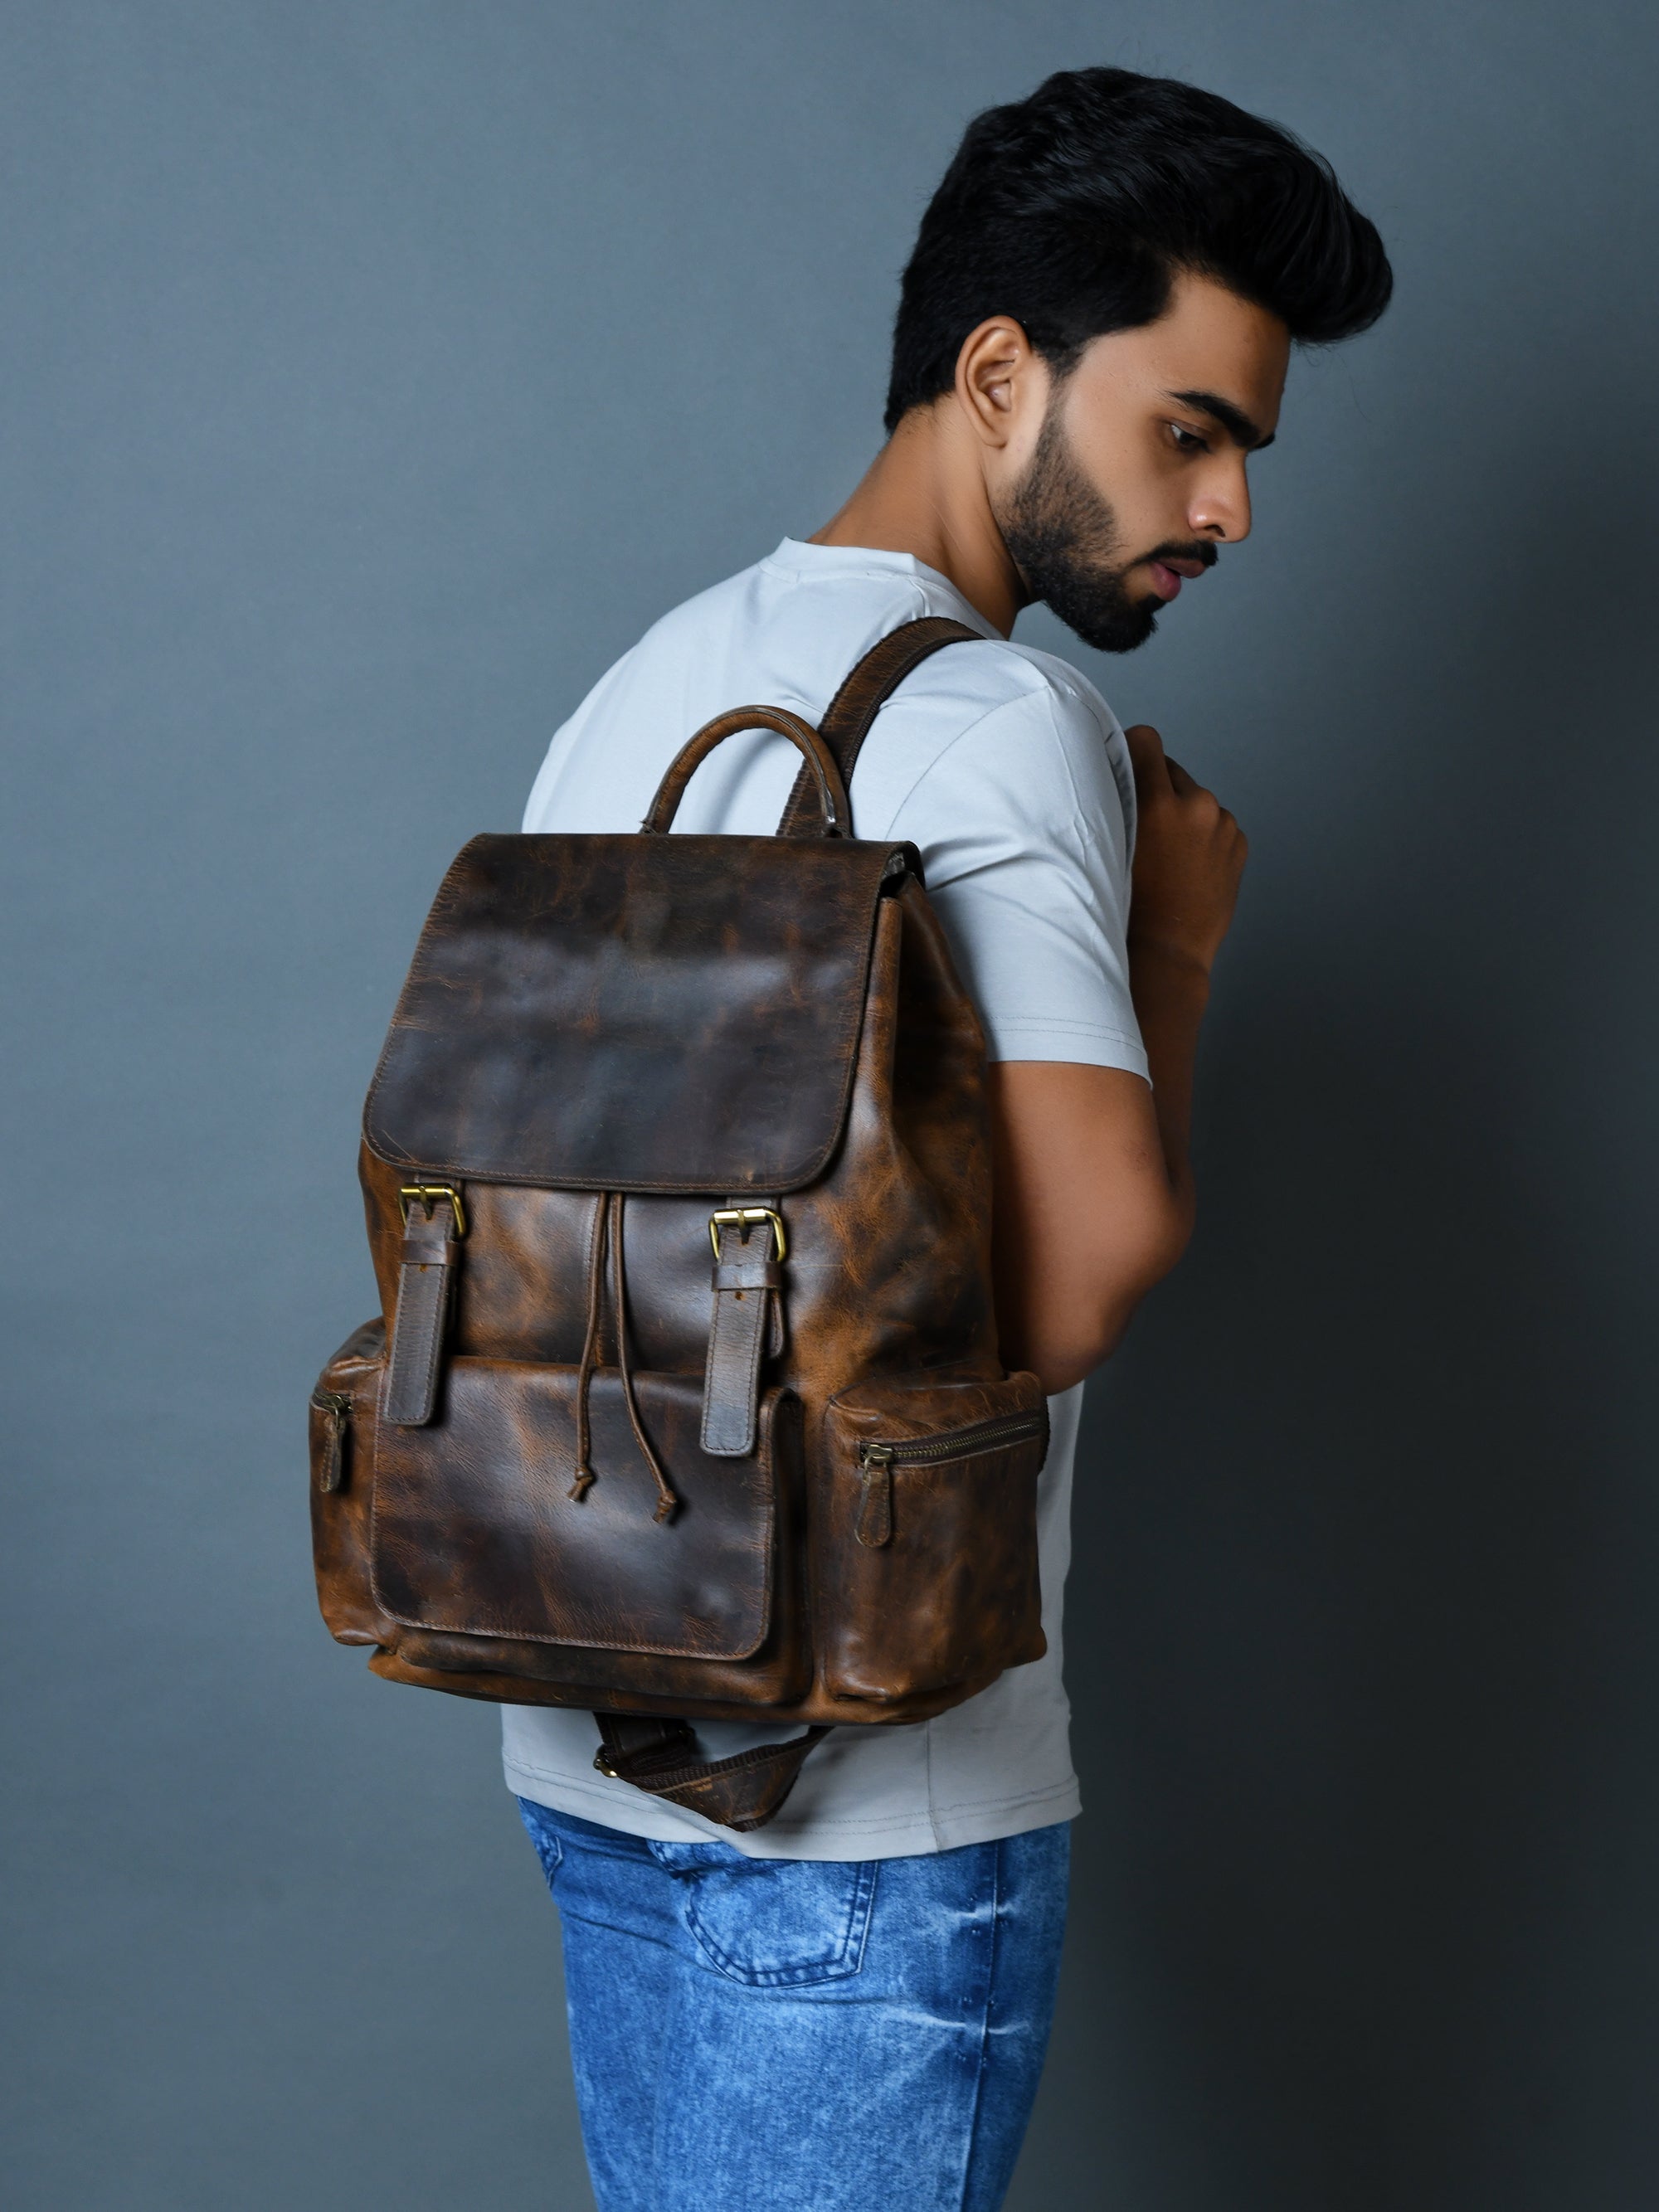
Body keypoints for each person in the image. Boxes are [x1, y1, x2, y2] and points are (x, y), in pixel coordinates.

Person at [510, 65, 1391, 2212]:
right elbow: (1072, 1280)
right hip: (865, 1816)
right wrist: (1172, 945)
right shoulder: (996, 720)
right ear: (1005, 374)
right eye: (1189, 428)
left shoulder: (641, 685)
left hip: (585, 1733)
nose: (1230, 511)